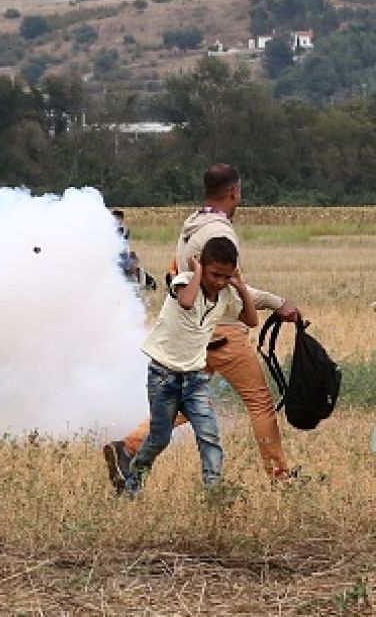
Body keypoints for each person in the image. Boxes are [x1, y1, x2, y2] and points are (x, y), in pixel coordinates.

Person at [105, 164, 303, 488]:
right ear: (234, 192)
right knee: (260, 403)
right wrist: (276, 302)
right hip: (222, 330)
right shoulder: (220, 234)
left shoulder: (192, 226)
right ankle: (280, 477)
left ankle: (128, 448)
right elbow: (230, 291)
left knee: (186, 403)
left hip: (196, 332)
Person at [124, 237, 257, 494]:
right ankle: (133, 479)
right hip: (163, 376)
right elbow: (186, 302)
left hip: (195, 378)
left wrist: (240, 287)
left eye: (226, 277)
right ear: (202, 266)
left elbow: (251, 320)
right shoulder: (184, 281)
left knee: (209, 436)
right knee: (159, 438)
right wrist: (196, 271)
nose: (220, 282)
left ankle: (213, 491)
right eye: (215, 274)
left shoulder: (226, 295)